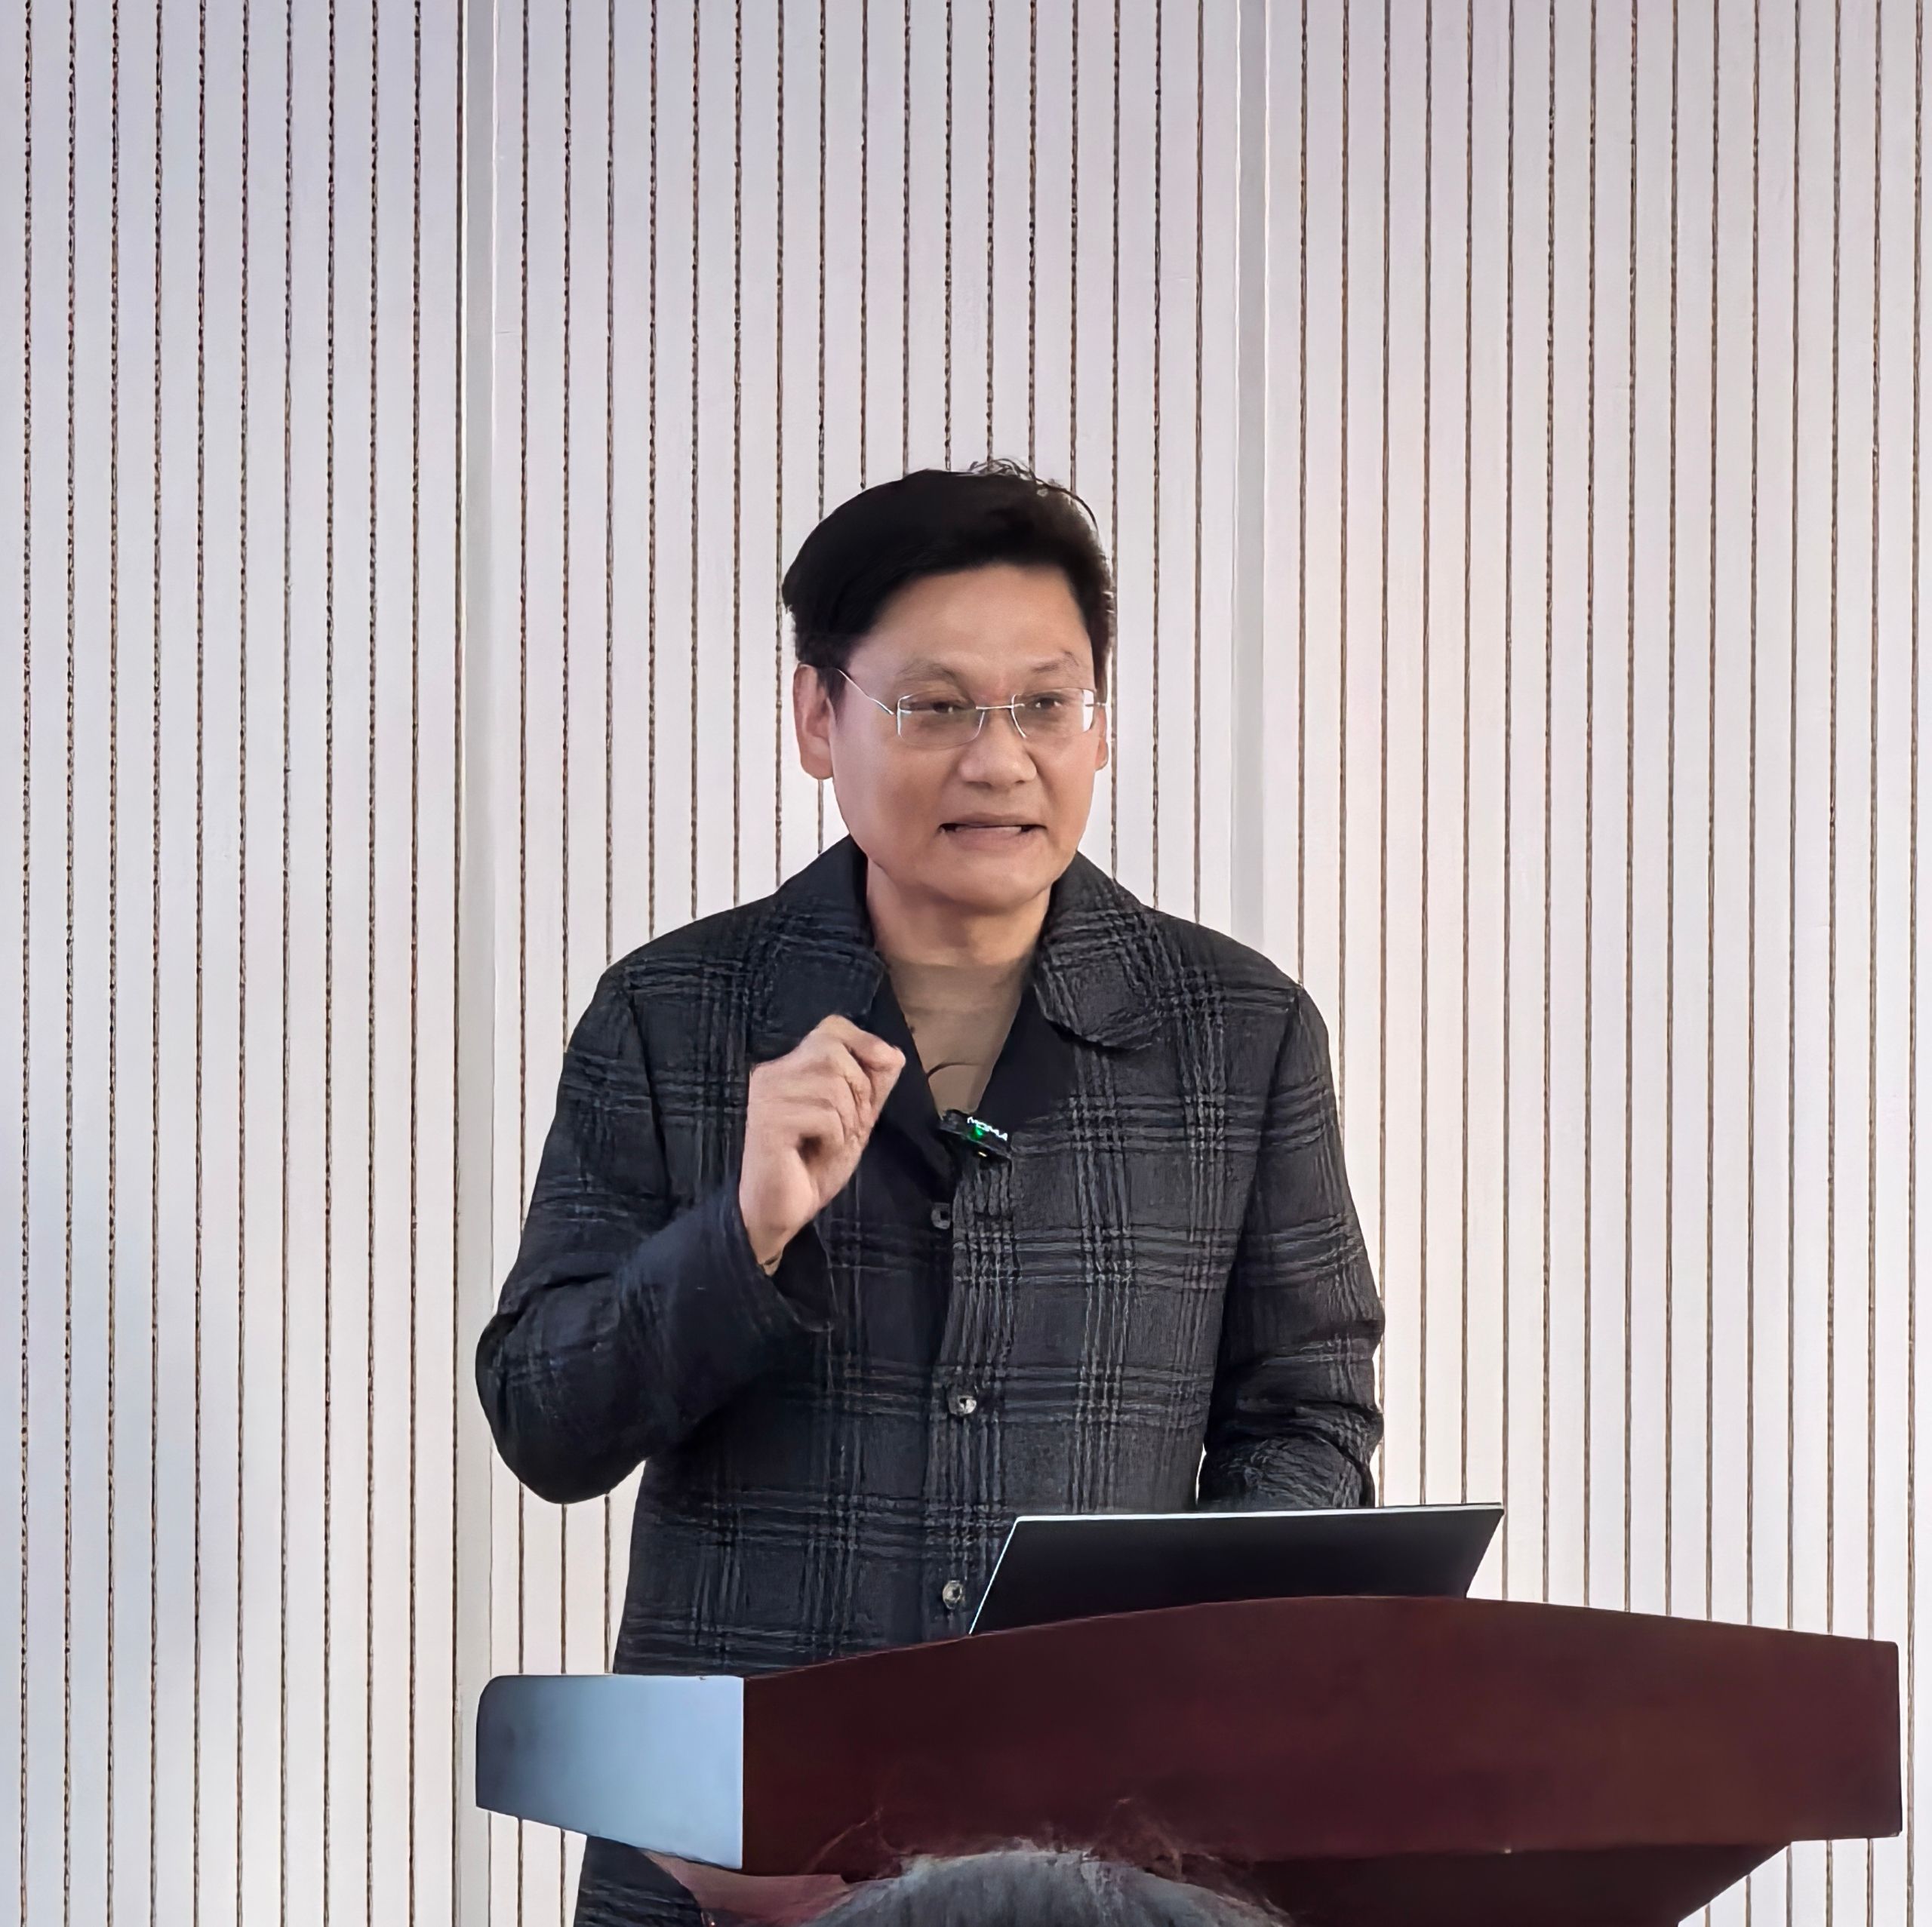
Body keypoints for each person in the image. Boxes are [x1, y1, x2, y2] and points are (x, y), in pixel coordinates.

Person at [475, 459, 1385, 1927]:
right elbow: (543, 1419)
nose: (999, 758)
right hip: (733, 1861)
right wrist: (741, 1236)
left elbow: (1308, 1423)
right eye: (936, 705)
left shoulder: (1237, 1030)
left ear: (1099, 722)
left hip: (1111, 1864)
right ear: (816, 717)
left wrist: (1163, 1672)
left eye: (1046, 703)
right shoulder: (672, 1014)